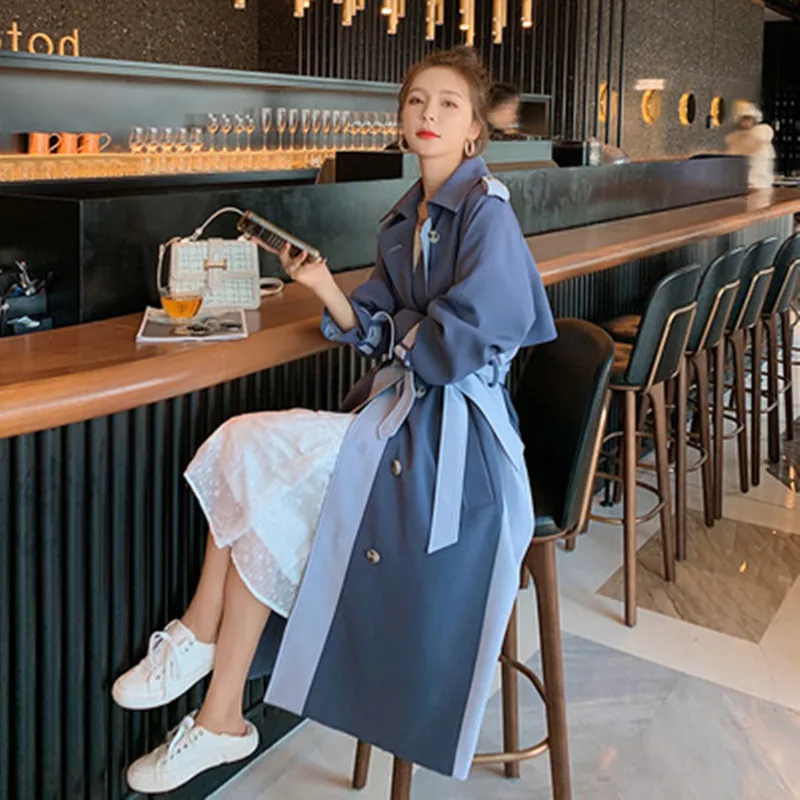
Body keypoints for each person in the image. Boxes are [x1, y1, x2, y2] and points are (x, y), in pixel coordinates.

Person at [113, 46, 556, 794]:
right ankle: (218, 709)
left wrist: (401, 332)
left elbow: (465, 339)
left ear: (475, 130)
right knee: (259, 485)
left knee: (247, 449)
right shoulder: (408, 216)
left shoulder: (487, 213)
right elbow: (385, 329)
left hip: (457, 442)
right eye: (416, 101)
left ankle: (200, 640)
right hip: (404, 416)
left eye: (448, 104)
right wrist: (321, 283)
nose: (428, 114)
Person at [725, 101, 775, 190]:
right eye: (744, 118)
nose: (746, 122)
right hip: (742, 185)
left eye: (749, 118)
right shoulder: (734, 138)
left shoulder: (763, 131)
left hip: (760, 184)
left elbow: (749, 145)